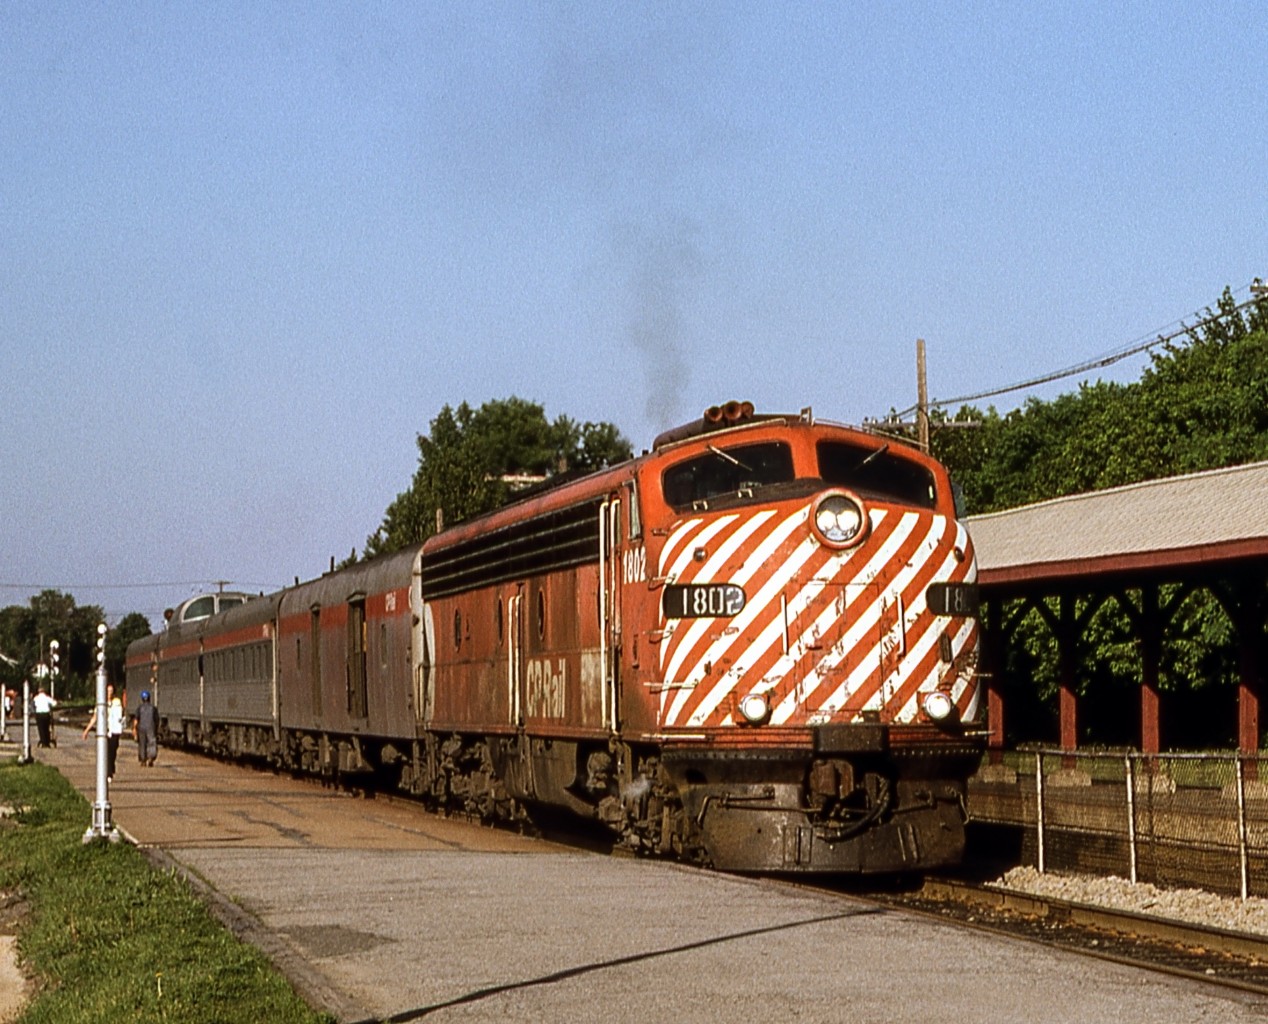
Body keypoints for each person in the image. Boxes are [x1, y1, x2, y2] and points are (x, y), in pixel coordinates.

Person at [82, 684, 126, 780]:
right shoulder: (101, 703)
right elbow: (95, 718)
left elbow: (121, 716)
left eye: (111, 691)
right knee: (106, 752)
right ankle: (108, 773)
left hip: (115, 731)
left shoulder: (117, 702)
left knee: (113, 751)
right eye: (108, 691)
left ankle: (111, 765)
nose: (109, 693)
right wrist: (86, 730)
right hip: (105, 731)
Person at [132, 689, 158, 767]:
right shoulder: (153, 708)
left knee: (142, 744)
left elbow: (136, 719)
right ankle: (151, 757)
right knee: (152, 742)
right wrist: (155, 728)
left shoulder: (139, 708)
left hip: (141, 728)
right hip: (151, 727)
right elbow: (156, 719)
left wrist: (134, 728)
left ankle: (143, 760)